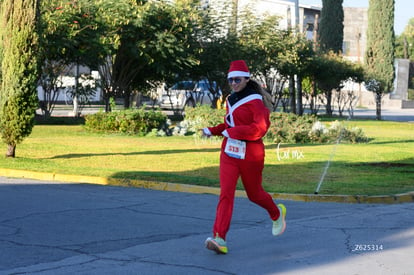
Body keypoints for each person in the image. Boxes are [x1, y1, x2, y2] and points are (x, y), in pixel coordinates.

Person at [202, 60, 286, 255]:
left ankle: (276, 213)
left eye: (237, 79)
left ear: (247, 79)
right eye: (230, 80)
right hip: (229, 154)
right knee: (226, 193)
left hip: (251, 154)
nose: (233, 83)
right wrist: (212, 130)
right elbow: (229, 125)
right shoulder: (231, 99)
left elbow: (260, 129)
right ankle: (219, 238)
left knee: (254, 194)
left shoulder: (256, 102)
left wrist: (233, 132)